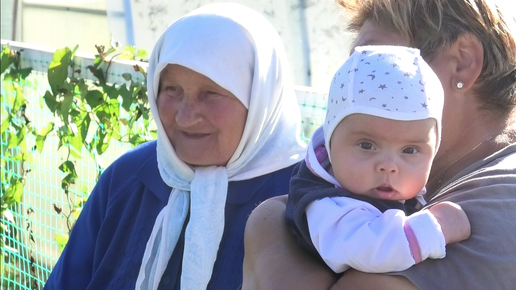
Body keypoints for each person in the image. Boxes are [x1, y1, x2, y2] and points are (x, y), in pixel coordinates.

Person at [242, 0, 516, 289]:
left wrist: (269, 229)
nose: (356, 86)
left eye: (379, 65)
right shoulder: (402, 181)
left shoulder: (502, 199)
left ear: (463, 63)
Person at [43, 3, 306, 290]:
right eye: (171, 89)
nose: (185, 116)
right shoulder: (130, 178)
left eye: (211, 92)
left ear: (259, 98)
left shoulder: (304, 199)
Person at [285, 45, 470, 275]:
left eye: (410, 150)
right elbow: (371, 249)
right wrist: (437, 227)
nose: (389, 166)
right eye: (366, 145)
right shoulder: (328, 205)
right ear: (331, 142)